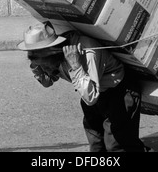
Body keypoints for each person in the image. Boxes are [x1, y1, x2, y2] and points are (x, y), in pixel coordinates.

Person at [18, 20, 150, 152]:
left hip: (119, 92)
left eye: (44, 65)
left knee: (116, 145)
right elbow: (47, 81)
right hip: (94, 94)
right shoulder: (52, 59)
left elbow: (91, 98)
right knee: (96, 144)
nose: (44, 69)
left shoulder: (86, 51)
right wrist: (35, 66)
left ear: (51, 53)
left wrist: (76, 66)